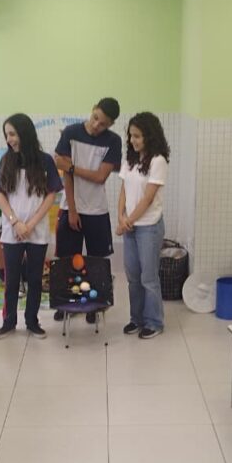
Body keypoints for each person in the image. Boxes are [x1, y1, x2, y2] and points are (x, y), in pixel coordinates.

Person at [0, 113, 62, 340]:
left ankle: (32, 321)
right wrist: (15, 222)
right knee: (11, 279)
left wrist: (30, 224)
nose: (9, 139)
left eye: (12, 134)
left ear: (25, 133)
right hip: (12, 231)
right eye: (6, 135)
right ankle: (9, 321)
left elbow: (51, 194)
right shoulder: (6, 161)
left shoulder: (45, 161)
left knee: (34, 279)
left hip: (37, 231)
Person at [53, 98, 122, 324]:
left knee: (97, 262)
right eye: (95, 118)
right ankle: (68, 303)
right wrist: (73, 210)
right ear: (92, 110)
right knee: (67, 260)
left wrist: (71, 167)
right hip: (70, 207)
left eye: (103, 124)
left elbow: (100, 177)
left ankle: (95, 305)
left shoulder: (113, 141)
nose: (96, 125)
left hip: (97, 210)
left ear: (110, 125)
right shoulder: (70, 133)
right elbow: (66, 174)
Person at [117, 112, 170, 339]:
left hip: (148, 227)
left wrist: (127, 221)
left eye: (137, 136)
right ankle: (136, 319)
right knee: (133, 276)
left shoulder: (158, 161)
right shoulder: (130, 160)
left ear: (149, 136)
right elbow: (123, 190)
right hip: (130, 226)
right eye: (131, 136)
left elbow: (148, 199)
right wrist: (121, 216)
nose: (133, 140)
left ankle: (154, 322)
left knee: (149, 278)